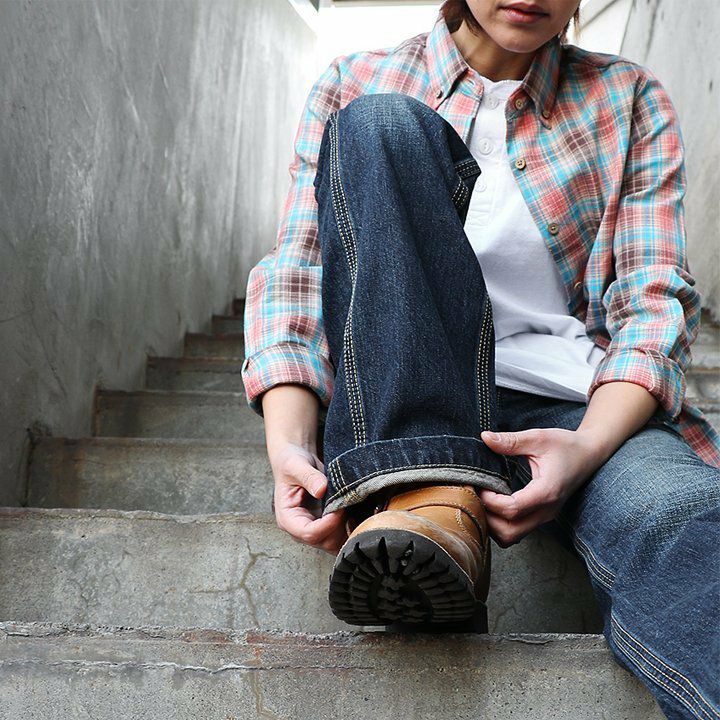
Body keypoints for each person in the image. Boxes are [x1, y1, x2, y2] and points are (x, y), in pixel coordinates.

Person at [241, 2, 720, 718]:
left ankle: (436, 523)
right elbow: (298, 275)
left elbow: (652, 302)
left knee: (686, 518)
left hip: (573, 406)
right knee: (380, 123)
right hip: (403, 396)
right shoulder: (357, 80)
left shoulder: (628, 96)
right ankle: (428, 494)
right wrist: (289, 443)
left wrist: (587, 448)